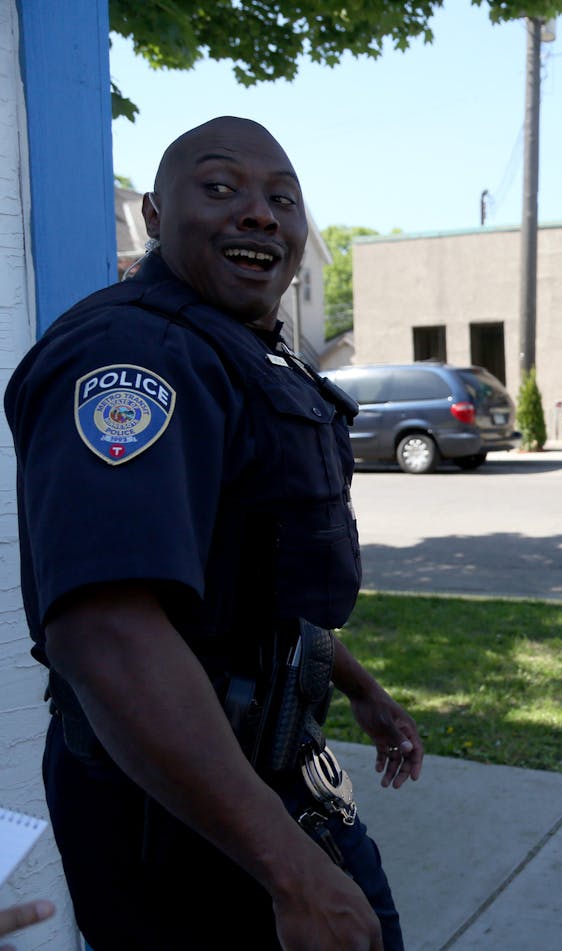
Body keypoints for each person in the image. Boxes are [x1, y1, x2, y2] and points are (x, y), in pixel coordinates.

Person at [5, 116, 424, 950]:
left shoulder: (234, 351)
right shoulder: (136, 354)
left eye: (283, 198)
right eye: (222, 187)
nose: (261, 214)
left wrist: (357, 684)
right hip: (180, 817)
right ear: (155, 214)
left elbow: (246, 575)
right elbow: (107, 630)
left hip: (262, 779)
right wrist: (292, 871)